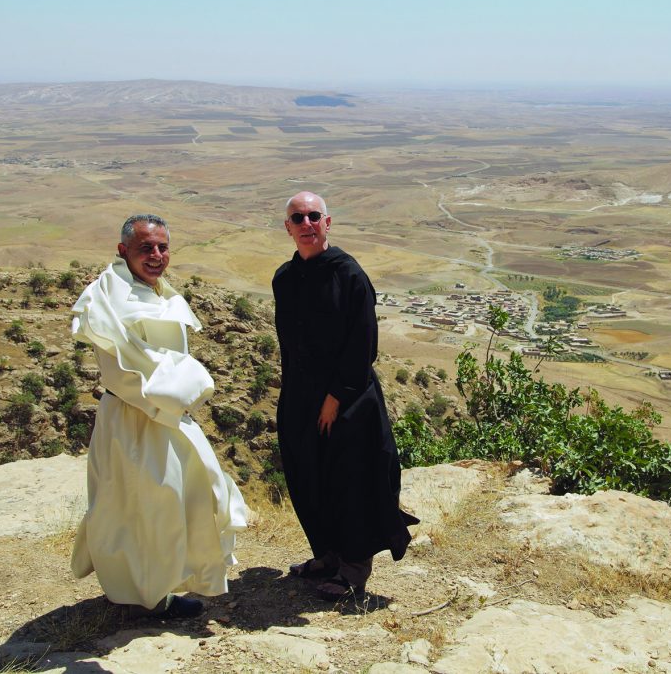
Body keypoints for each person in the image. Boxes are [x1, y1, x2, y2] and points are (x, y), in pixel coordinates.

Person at [70, 213, 247, 618]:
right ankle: (139, 597)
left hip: (167, 414)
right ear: (123, 251)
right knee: (136, 504)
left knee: (177, 499)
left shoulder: (158, 291)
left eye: (162, 247)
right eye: (145, 247)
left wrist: (177, 395)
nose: (155, 255)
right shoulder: (106, 298)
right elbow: (121, 368)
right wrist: (175, 392)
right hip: (133, 417)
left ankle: (158, 589)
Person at [272, 191, 418, 600]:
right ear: (288, 227)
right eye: (297, 218)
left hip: (350, 402)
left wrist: (335, 398)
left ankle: (353, 570)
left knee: (349, 482)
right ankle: (327, 555)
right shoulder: (284, 278)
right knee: (310, 479)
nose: (306, 224)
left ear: (328, 222)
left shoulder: (349, 274)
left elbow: (362, 345)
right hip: (302, 398)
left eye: (313, 216)